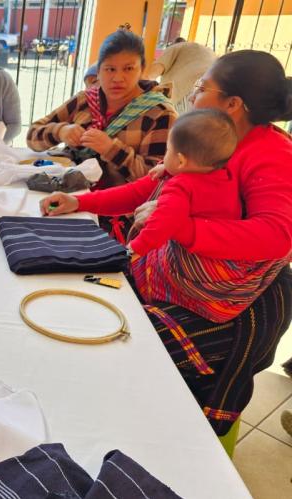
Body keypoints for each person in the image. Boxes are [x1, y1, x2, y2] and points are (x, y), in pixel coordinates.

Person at [111, 50, 292, 435]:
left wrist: (183, 228)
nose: (192, 95)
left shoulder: (272, 154)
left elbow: (276, 237)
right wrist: (80, 201)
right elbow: (147, 187)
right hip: (177, 277)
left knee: (125, 346)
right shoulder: (208, 138)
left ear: (233, 104)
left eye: (200, 87)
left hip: (221, 300)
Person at [41, 109, 284, 325]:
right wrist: (79, 202)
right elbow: (138, 192)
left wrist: (129, 253)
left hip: (180, 286)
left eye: (167, 151)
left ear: (182, 159)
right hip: (221, 297)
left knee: (90, 283)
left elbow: (159, 229)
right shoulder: (225, 176)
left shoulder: (180, 187)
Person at [27, 26, 177, 242]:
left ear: (142, 70)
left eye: (128, 68)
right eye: (110, 69)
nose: (118, 78)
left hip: (118, 219)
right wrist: (61, 131)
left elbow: (155, 180)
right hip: (68, 196)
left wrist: (111, 149)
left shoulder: (159, 113)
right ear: (98, 71)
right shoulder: (86, 100)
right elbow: (32, 136)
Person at [143, 38, 216, 114]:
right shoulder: (208, 52)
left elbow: (149, 77)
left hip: (186, 92)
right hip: (209, 93)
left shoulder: (174, 48)